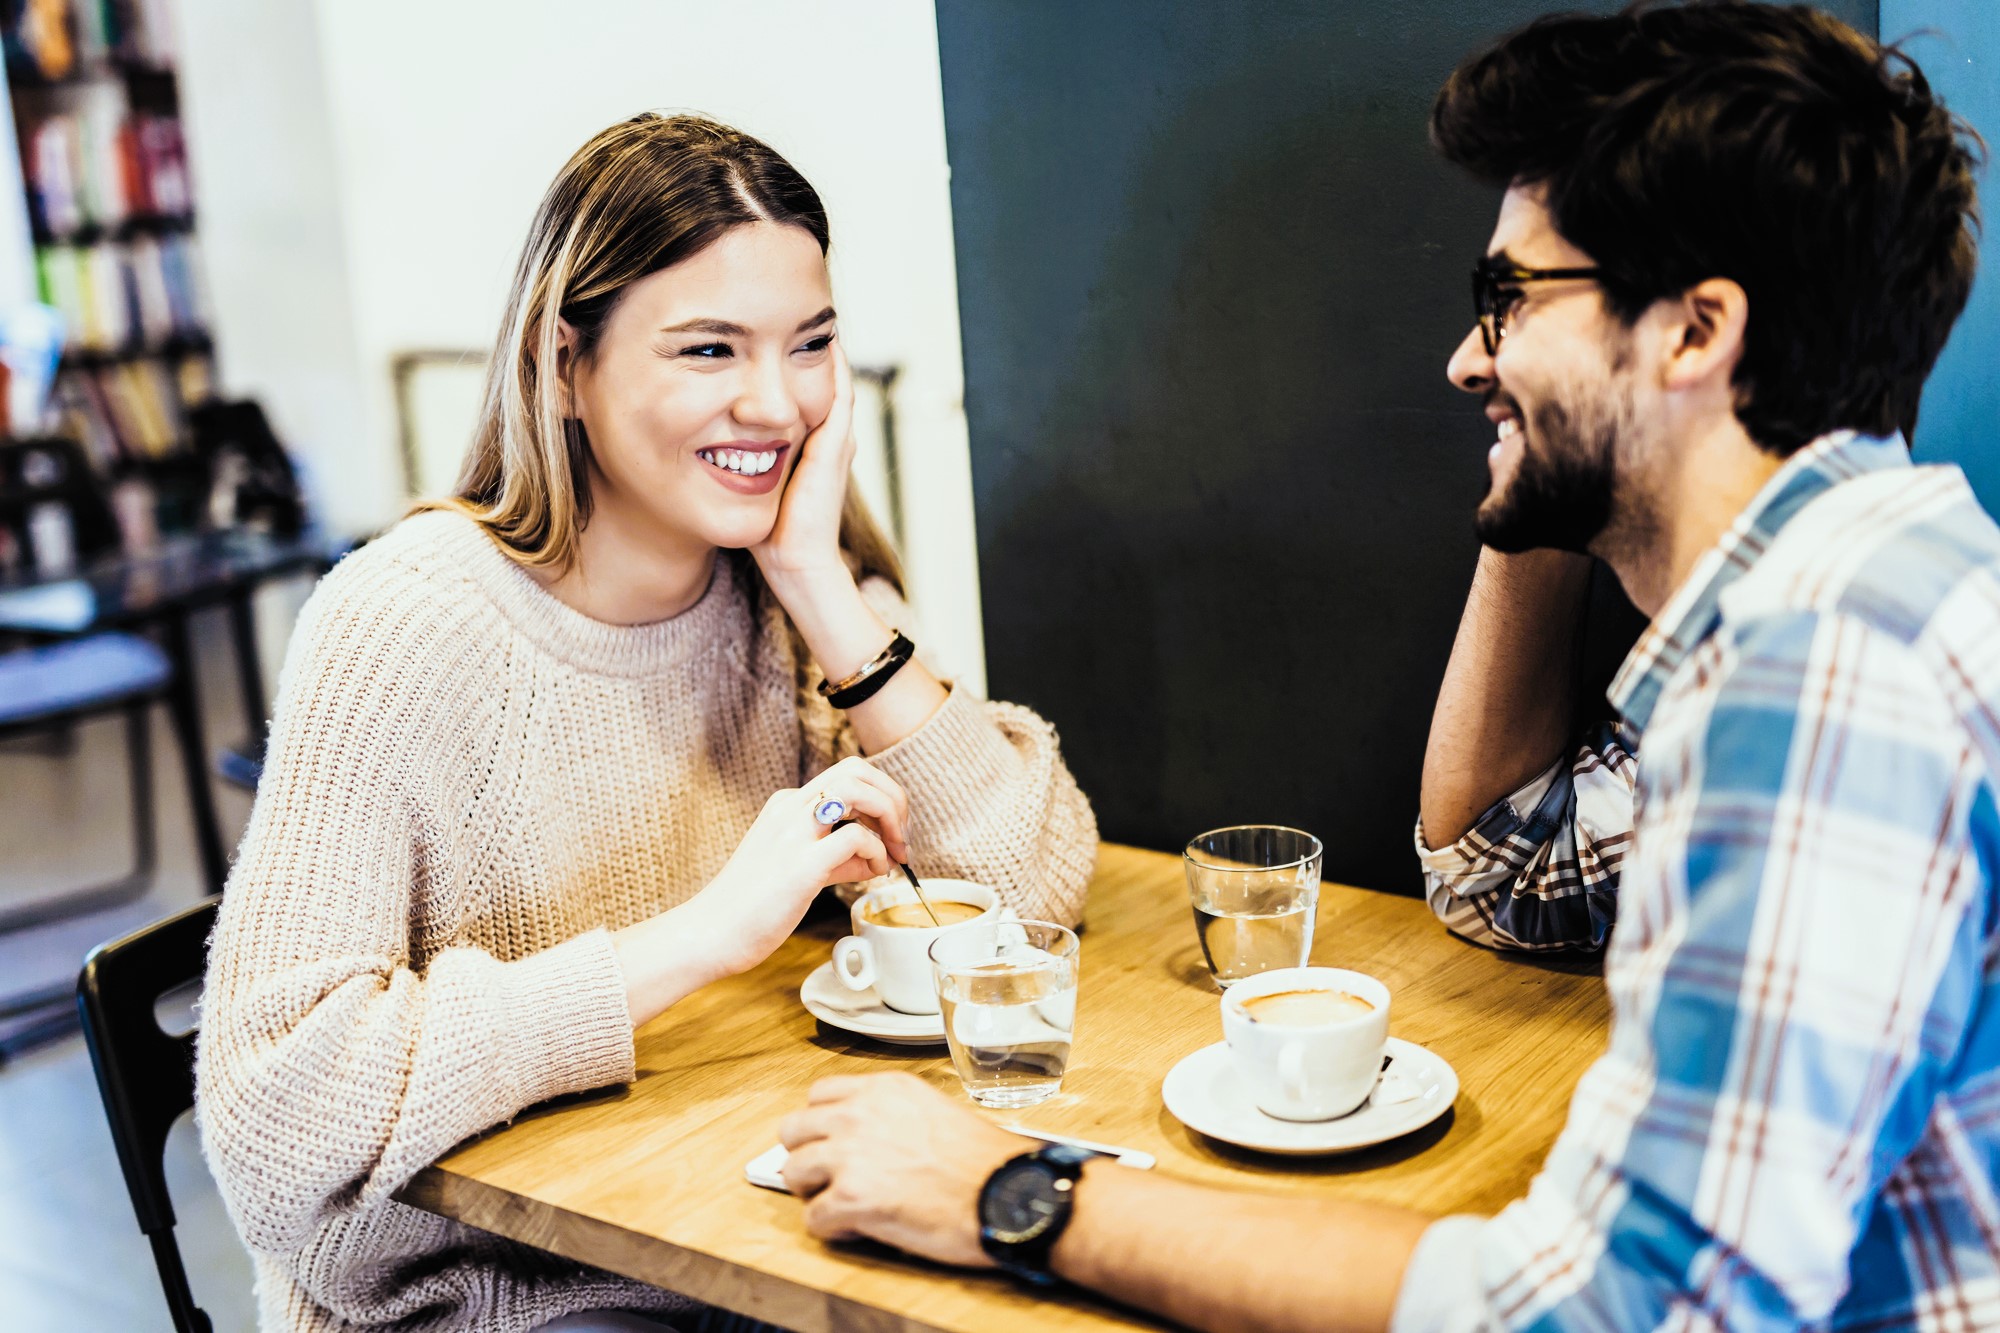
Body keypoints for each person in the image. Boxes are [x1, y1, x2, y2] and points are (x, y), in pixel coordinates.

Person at [776, 5, 1999, 1330]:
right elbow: (1507, 875)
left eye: (1510, 298)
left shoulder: (1820, 682)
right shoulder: (1874, 591)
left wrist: (1014, 1192)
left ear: (1695, 332)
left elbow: (1614, 1313)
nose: (1468, 357)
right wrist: (1548, 476)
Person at [193, 113, 1098, 1333]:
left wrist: (827, 597)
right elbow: (268, 1115)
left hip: (745, 1233)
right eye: (708, 349)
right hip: (500, 1297)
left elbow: (1033, 895)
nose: (775, 405)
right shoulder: (403, 621)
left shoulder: (777, 584)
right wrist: (701, 936)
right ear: (565, 365)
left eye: (810, 345)